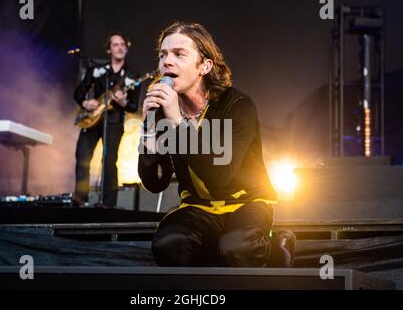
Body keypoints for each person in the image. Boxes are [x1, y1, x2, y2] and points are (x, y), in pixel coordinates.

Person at [138, 22, 295, 267]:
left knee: (238, 246)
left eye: (179, 54)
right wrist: (147, 130)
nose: (167, 62)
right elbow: (155, 183)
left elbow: (220, 175)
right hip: (199, 207)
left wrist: (178, 123)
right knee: (169, 246)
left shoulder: (236, 106)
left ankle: (279, 248)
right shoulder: (164, 112)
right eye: (163, 55)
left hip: (246, 202)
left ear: (205, 66)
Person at [73, 31, 140, 207]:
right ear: (109, 49)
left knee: (110, 162)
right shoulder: (97, 71)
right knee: (82, 157)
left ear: (127, 48)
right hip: (92, 120)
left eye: (122, 44)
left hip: (114, 122)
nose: (119, 47)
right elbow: (79, 91)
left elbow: (133, 106)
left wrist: (123, 101)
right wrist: (85, 102)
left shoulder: (132, 76)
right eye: (115, 44)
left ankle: (108, 203)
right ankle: (81, 199)